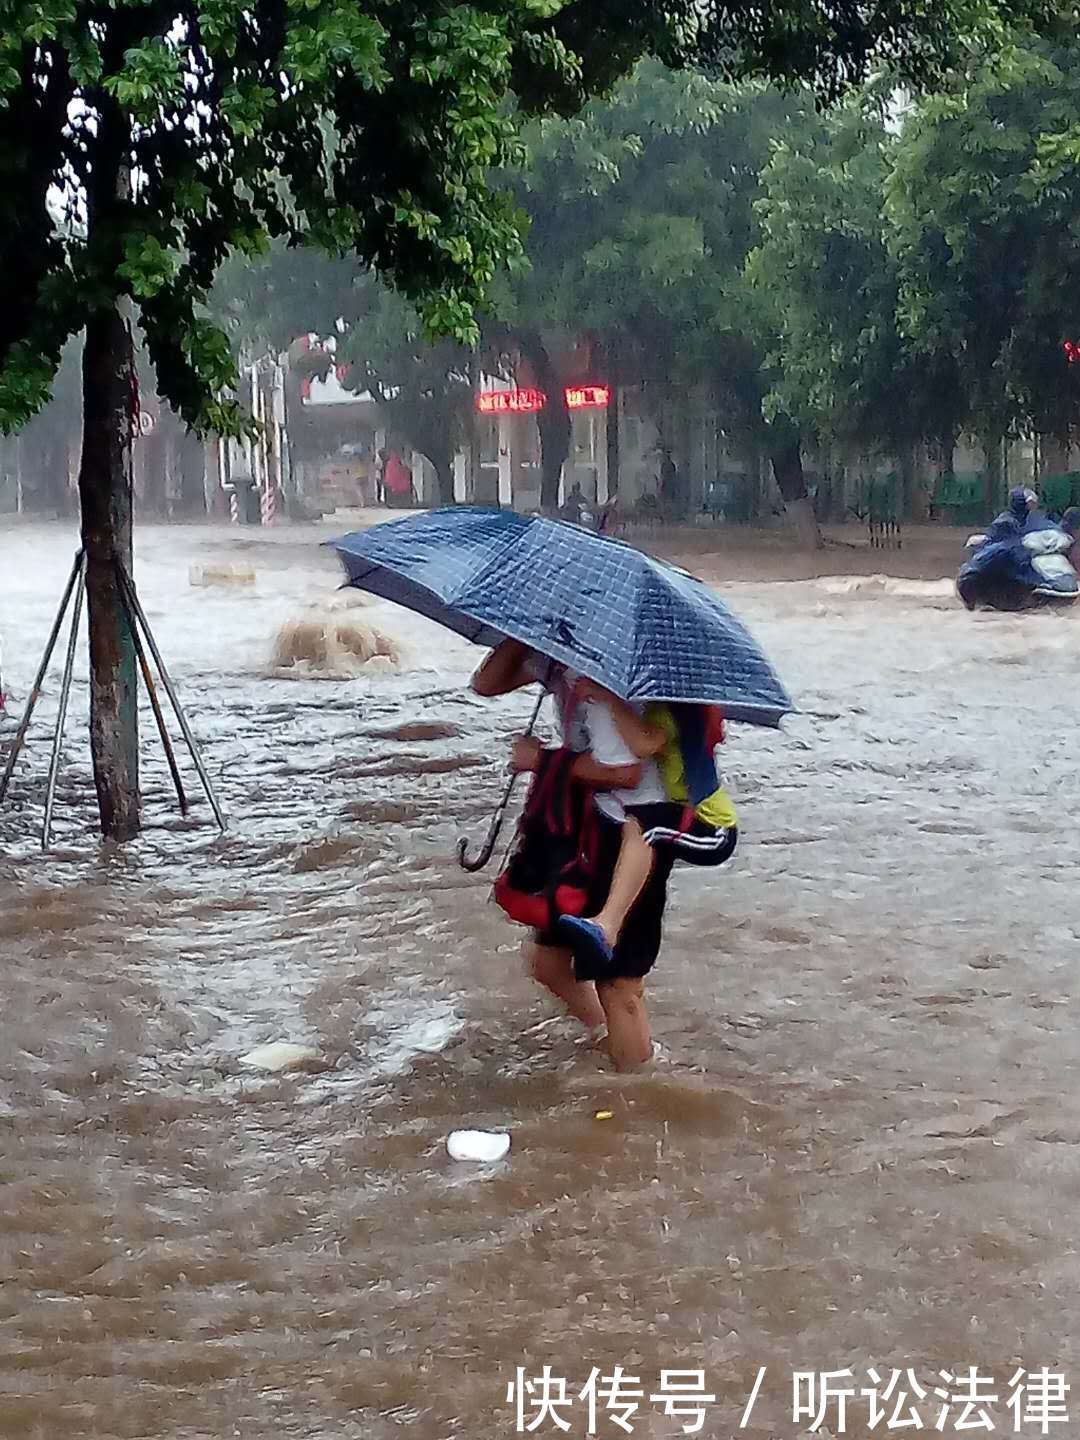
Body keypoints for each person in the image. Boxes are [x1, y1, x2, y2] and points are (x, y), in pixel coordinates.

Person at [470, 639, 674, 1069]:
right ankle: (616, 1042)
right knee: (549, 961)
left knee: (618, 983)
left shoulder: (608, 671)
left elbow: (627, 771)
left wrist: (543, 761)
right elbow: (486, 683)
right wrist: (520, 634)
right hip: (590, 823)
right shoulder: (559, 652)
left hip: (634, 830)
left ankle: (636, 1090)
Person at [558, 686, 738, 968]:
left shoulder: (683, 709)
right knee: (639, 825)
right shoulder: (666, 707)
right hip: (691, 815)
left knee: (646, 829)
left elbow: (643, 745)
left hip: (715, 829)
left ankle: (607, 926)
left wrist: (608, 697)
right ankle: (606, 924)